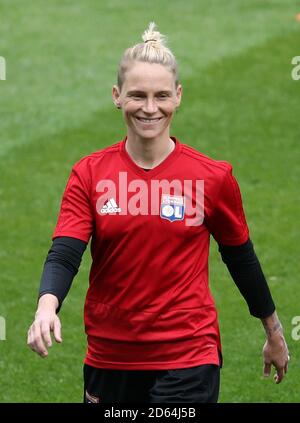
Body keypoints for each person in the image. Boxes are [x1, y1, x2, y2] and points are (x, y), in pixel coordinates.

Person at [27, 22, 289, 403]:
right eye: (137, 95)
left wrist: (274, 331)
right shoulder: (90, 174)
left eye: (161, 96)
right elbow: (66, 251)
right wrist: (46, 306)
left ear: (178, 97)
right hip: (110, 355)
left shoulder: (212, 177)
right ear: (117, 96)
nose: (150, 108)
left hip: (188, 356)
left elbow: (241, 258)